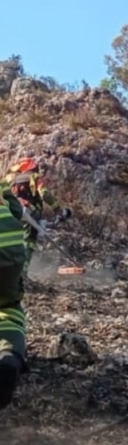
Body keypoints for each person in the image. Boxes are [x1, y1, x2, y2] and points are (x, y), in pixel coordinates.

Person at [2, 158, 69, 252]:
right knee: (29, 242)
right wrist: (58, 210)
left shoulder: (7, 179)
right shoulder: (34, 177)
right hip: (28, 213)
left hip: (9, 213)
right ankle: (24, 265)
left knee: (10, 242)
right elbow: (44, 194)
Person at [0, 186, 28, 409]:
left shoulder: (25, 175)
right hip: (10, 246)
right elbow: (17, 210)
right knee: (8, 306)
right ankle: (8, 353)